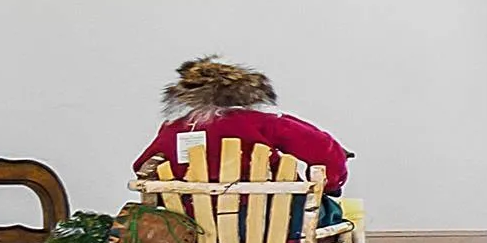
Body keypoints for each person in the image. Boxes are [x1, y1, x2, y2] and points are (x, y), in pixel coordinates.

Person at [134, 58, 353, 202]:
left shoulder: (173, 130)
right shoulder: (262, 123)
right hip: (274, 222)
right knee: (331, 212)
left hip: (194, 227)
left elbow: (144, 167)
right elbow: (322, 148)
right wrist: (332, 183)